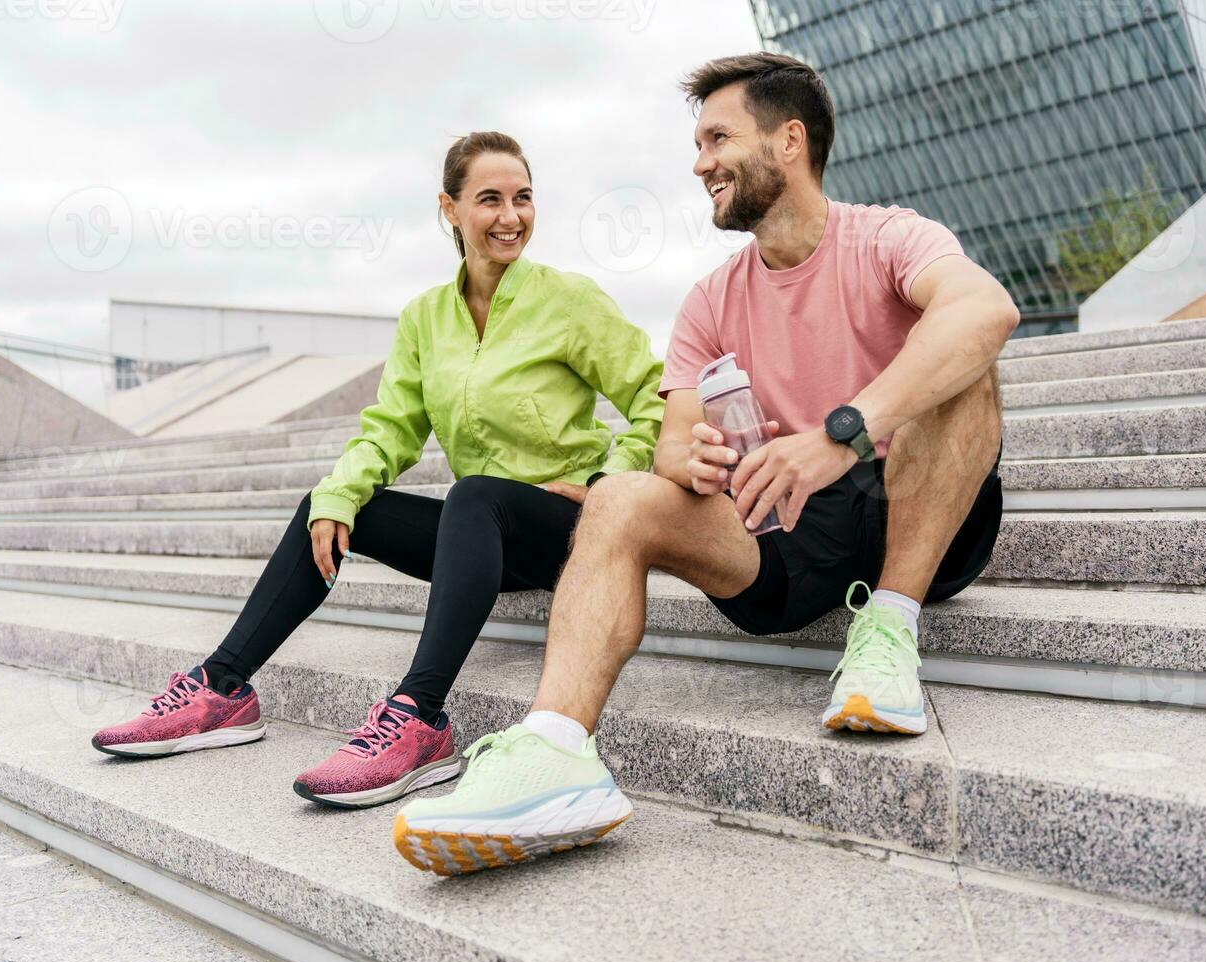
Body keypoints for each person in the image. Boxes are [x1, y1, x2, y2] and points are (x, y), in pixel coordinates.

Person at [391, 52, 1020, 877]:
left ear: (789, 140)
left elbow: (988, 307)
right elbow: (671, 438)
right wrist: (692, 459)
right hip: (789, 536)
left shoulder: (890, 237)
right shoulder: (710, 299)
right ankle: (555, 755)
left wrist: (841, 434)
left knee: (966, 363)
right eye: (698, 144)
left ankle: (888, 628)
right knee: (618, 496)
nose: (700, 163)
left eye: (718, 137)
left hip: (922, 509)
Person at [89, 132, 666, 812]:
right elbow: (391, 427)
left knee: (474, 495)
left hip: (565, 531)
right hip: (480, 538)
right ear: (450, 210)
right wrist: (338, 495)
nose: (511, 215)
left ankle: (420, 718)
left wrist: (608, 482)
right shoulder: (426, 318)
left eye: (523, 198)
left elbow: (656, 395)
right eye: (490, 199)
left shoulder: (569, 299)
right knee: (329, 505)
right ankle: (223, 689)